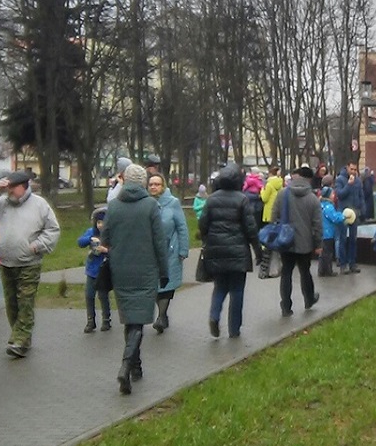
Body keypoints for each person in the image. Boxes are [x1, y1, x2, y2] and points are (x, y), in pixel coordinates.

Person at [102, 165, 168, 394]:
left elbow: (106, 236)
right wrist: (164, 270)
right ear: (142, 182)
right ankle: (126, 365)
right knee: (138, 321)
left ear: (124, 181)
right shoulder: (151, 205)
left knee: (130, 318)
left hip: (120, 269)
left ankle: (136, 368)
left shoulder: (113, 206)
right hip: (146, 269)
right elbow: (159, 241)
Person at [0, 171, 60, 358]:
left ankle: (19, 340)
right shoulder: (2, 202)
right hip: (6, 261)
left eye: (12, 187)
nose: (9, 191)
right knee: (11, 303)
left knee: (25, 302)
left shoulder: (39, 205)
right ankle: (21, 337)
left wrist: (38, 246)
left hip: (29, 263)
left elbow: (53, 230)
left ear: (23, 186)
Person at [199, 163, 261, 339]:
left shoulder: (211, 199)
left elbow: (203, 224)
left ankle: (214, 316)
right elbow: (250, 228)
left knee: (219, 288)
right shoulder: (242, 199)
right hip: (238, 252)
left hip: (216, 250)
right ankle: (234, 329)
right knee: (237, 291)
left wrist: (207, 240)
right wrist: (258, 251)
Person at [277, 166, 322, 317]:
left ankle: (286, 306)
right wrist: (318, 244)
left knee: (286, 273)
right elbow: (317, 224)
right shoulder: (313, 199)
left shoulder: (283, 194)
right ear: (309, 180)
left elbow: (274, 217)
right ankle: (309, 299)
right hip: (305, 243)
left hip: (285, 241)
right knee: (305, 272)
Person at [148, 174, 189, 334]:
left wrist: (183, 249)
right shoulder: (146, 203)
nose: (153, 187)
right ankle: (163, 316)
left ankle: (161, 316)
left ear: (163, 186)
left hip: (170, 250)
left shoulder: (173, 203)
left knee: (167, 283)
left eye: (157, 184)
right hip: (151, 251)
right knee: (155, 284)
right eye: (151, 184)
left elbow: (182, 227)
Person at [77, 208, 111, 333]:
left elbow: (117, 249)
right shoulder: (91, 232)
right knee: (89, 295)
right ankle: (91, 320)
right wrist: (90, 239)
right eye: (99, 222)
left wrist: (106, 250)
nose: (101, 225)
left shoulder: (110, 234)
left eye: (104, 222)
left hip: (104, 270)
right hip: (92, 269)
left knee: (103, 295)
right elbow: (80, 242)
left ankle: (106, 319)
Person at [334, 163, 363, 273]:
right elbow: (340, 195)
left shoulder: (358, 181)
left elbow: (361, 196)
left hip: (355, 213)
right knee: (342, 239)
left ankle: (352, 263)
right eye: (351, 169)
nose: (353, 171)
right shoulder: (340, 180)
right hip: (344, 213)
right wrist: (349, 185)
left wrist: (361, 209)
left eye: (355, 169)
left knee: (353, 239)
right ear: (347, 168)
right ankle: (343, 264)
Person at [257, 164, 284, 278]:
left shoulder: (268, 185)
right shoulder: (280, 184)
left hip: (269, 211)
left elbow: (264, 198)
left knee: (268, 234)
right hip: (278, 211)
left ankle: (266, 255)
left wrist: (262, 190)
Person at [317, 186, 345, 277]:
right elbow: (335, 218)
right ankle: (328, 271)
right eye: (332, 194)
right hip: (328, 233)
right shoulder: (329, 207)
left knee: (322, 253)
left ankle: (321, 270)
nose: (334, 195)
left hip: (321, 233)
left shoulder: (320, 205)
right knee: (328, 253)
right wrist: (343, 216)